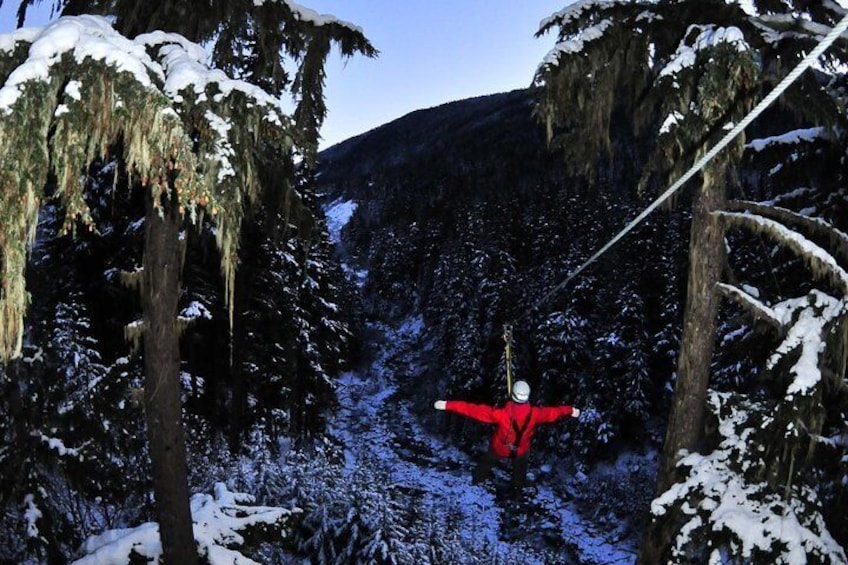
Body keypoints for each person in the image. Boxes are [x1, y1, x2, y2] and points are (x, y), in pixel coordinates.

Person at [434, 380, 580, 493]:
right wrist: (571, 410)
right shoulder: (535, 414)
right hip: (520, 450)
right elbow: (554, 412)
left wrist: (447, 405)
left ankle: (478, 479)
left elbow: (472, 410)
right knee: (520, 468)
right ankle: (517, 489)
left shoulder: (501, 414)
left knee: (487, 461)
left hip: (500, 448)